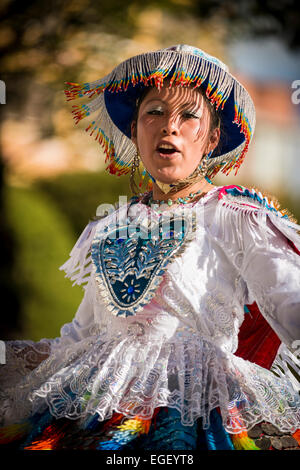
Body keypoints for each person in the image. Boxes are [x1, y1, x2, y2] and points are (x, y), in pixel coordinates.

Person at [1, 44, 300, 451]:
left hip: (193, 416)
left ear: (212, 137)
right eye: (154, 112)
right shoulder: (109, 225)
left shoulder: (235, 216)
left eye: (189, 116)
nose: (168, 126)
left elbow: (293, 303)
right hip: (96, 411)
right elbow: (80, 339)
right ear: (135, 129)